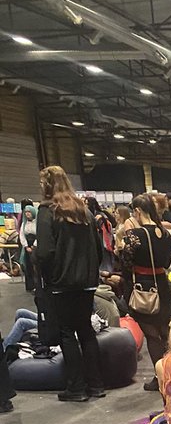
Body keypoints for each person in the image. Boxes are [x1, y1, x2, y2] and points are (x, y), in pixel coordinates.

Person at [34, 166, 105, 403]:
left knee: (67, 332)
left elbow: (45, 252)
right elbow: (98, 248)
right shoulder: (84, 211)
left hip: (61, 283)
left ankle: (76, 387)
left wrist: (47, 274)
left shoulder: (47, 211)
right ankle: (96, 384)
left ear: (47, 185)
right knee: (86, 331)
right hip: (87, 282)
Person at [120, 194, 171, 392]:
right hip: (162, 285)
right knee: (165, 332)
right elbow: (168, 261)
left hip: (143, 287)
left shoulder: (135, 235)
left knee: (152, 335)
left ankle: (161, 376)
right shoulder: (165, 233)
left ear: (137, 211)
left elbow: (126, 263)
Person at [18, 205, 37, 292]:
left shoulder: (37, 223)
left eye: (29, 212)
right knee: (28, 266)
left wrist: (34, 246)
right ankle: (30, 286)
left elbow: (39, 234)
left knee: (35, 267)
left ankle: (37, 286)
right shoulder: (24, 224)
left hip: (35, 246)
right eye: (26, 212)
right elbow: (22, 235)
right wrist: (26, 246)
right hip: (27, 246)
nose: (27, 214)